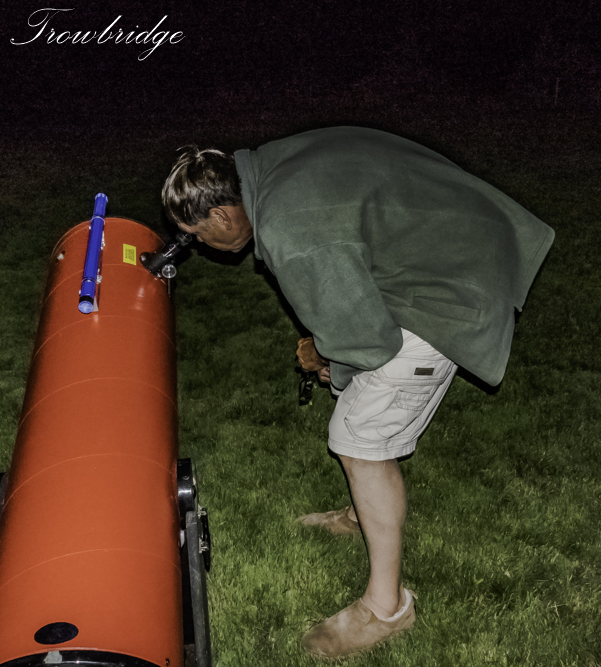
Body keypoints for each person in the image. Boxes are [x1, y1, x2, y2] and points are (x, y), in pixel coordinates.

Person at [161, 126, 554, 659]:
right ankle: (359, 515)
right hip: (452, 238)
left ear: (224, 214)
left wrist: (331, 363)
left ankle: (386, 608)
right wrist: (337, 355)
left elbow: (368, 343)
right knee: (361, 410)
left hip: (447, 289)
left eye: (198, 234)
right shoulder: (271, 165)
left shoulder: (291, 229)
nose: (201, 247)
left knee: (358, 439)